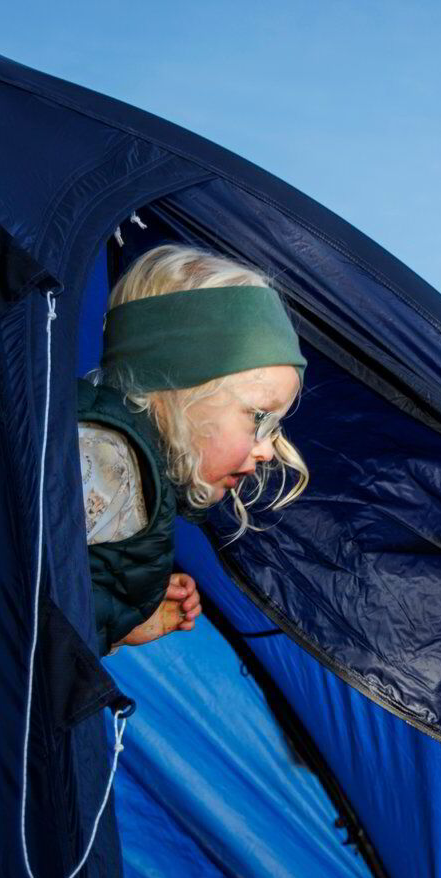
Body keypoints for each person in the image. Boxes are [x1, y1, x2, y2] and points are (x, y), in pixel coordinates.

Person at [79, 243, 311, 650]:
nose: (268, 451)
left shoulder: (135, 479)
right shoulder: (103, 458)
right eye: (259, 418)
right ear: (183, 391)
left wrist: (113, 619)